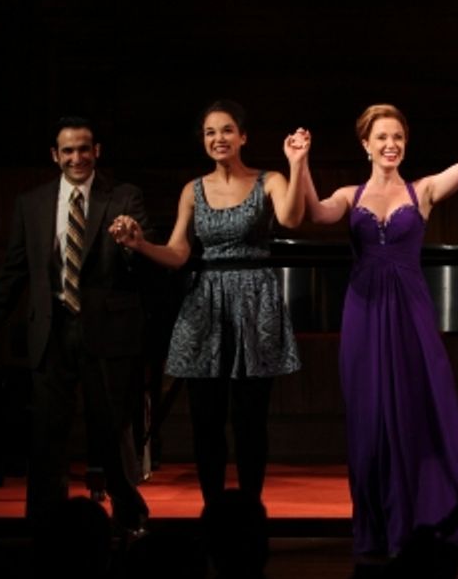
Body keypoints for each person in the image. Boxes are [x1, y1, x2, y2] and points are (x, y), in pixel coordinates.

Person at [297, 85, 458, 556]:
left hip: (411, 317)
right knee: (370, 420)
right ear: (366, 144)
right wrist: (300, 164)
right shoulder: (349, 196)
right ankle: (376, 527)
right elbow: (313, 212)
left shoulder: (424, 191)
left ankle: (420, 524)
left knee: (421, 412)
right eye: (381, 137)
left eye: (397, 137)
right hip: (364, 313)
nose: (390, 144)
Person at [110, 100, 309, 507]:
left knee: (250, 419)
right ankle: (213, 509)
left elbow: (290, 218)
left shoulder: (268, 179)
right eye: (210, 133)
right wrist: (141, 244)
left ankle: (251, 508)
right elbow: (179, 253)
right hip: (205, 304)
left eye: (227, 130)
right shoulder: (193, 189)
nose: (219, 138)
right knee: (206, 418)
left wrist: (298, 164)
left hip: (255, 302)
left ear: (243, 137)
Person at [0, 116, 149, 532]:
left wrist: (132, 243)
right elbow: (14, 270)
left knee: (110, 429)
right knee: (46, 436)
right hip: (52, 330)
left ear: (97, 151)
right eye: (68, 150)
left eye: (84, 148)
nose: (77, 157)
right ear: (55, 155)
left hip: (106, 332)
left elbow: (140, 265)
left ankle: (130, 519)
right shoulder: (33, 203)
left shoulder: (124, 197)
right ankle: (43, 527)